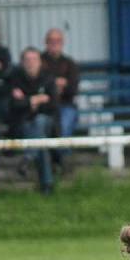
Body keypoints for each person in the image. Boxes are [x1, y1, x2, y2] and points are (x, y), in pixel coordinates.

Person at [9, 46, 56, 194]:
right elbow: (13, 105)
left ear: (40, 62)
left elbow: (53, 104)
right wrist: (35, 100)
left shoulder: (48, 78)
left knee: (41, 121)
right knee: (40, 140)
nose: (31, 63)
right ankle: (47, 186)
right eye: (27, 59)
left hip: (46, 123)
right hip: (23, 125)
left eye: (34, 59)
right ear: (22, 62)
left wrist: (25, 100)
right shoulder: (15, 78)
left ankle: (28, 157)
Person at [41, 28, 79, 171]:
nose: (54, 44)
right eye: (51, 41)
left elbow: (73, 90)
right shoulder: (39, 61)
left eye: (58, 41)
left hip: (66, 105)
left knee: (62, 126)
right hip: (45, 106)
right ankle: (59, 161)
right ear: (45, 43)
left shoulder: (70, 63)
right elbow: (39, 85)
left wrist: (61, 85)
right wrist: (57, 83)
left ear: (63, 43)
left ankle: (58, 160)